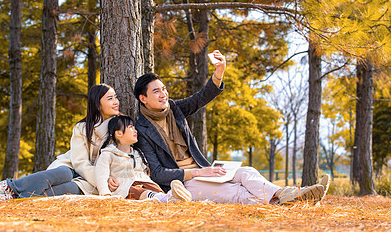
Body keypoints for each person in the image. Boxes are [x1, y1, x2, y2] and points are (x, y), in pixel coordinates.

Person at [133, 50, 330, 205]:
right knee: (237, 192)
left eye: (164, 89)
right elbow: (157, 173)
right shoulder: (141, 129)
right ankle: (295, 200)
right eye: (156, 91)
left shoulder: (174, 109)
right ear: (143, 99)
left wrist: (219, 73)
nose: (163, 94)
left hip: (205, 169)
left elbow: (200, 98)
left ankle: (287, 195)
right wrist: (198, 173)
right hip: (184, 183)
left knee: (247, 172)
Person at [0, 84, 121, 200]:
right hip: (73, 167)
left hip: (92, 181)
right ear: (97, 104)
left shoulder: (121, 128)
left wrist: (104, 179)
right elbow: (79, 163)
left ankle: (12, 197)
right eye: (110, 98)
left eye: (116, 97)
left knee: (69, 188)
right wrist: (101, 179)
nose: (116, 102)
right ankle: (10, 186)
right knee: (64, 174)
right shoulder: (82, 128)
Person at [94, 115, 192, 202]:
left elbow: (145, 173)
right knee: (137, 191)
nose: (135, 130)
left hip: (145, 182)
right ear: (119, 133)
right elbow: (101, 175)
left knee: (154, 188)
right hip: (126, 187)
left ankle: (171, 197)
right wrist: (105, 194)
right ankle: (165, 198)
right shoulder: (108, 154)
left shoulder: (138, 153)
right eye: (131, 127)